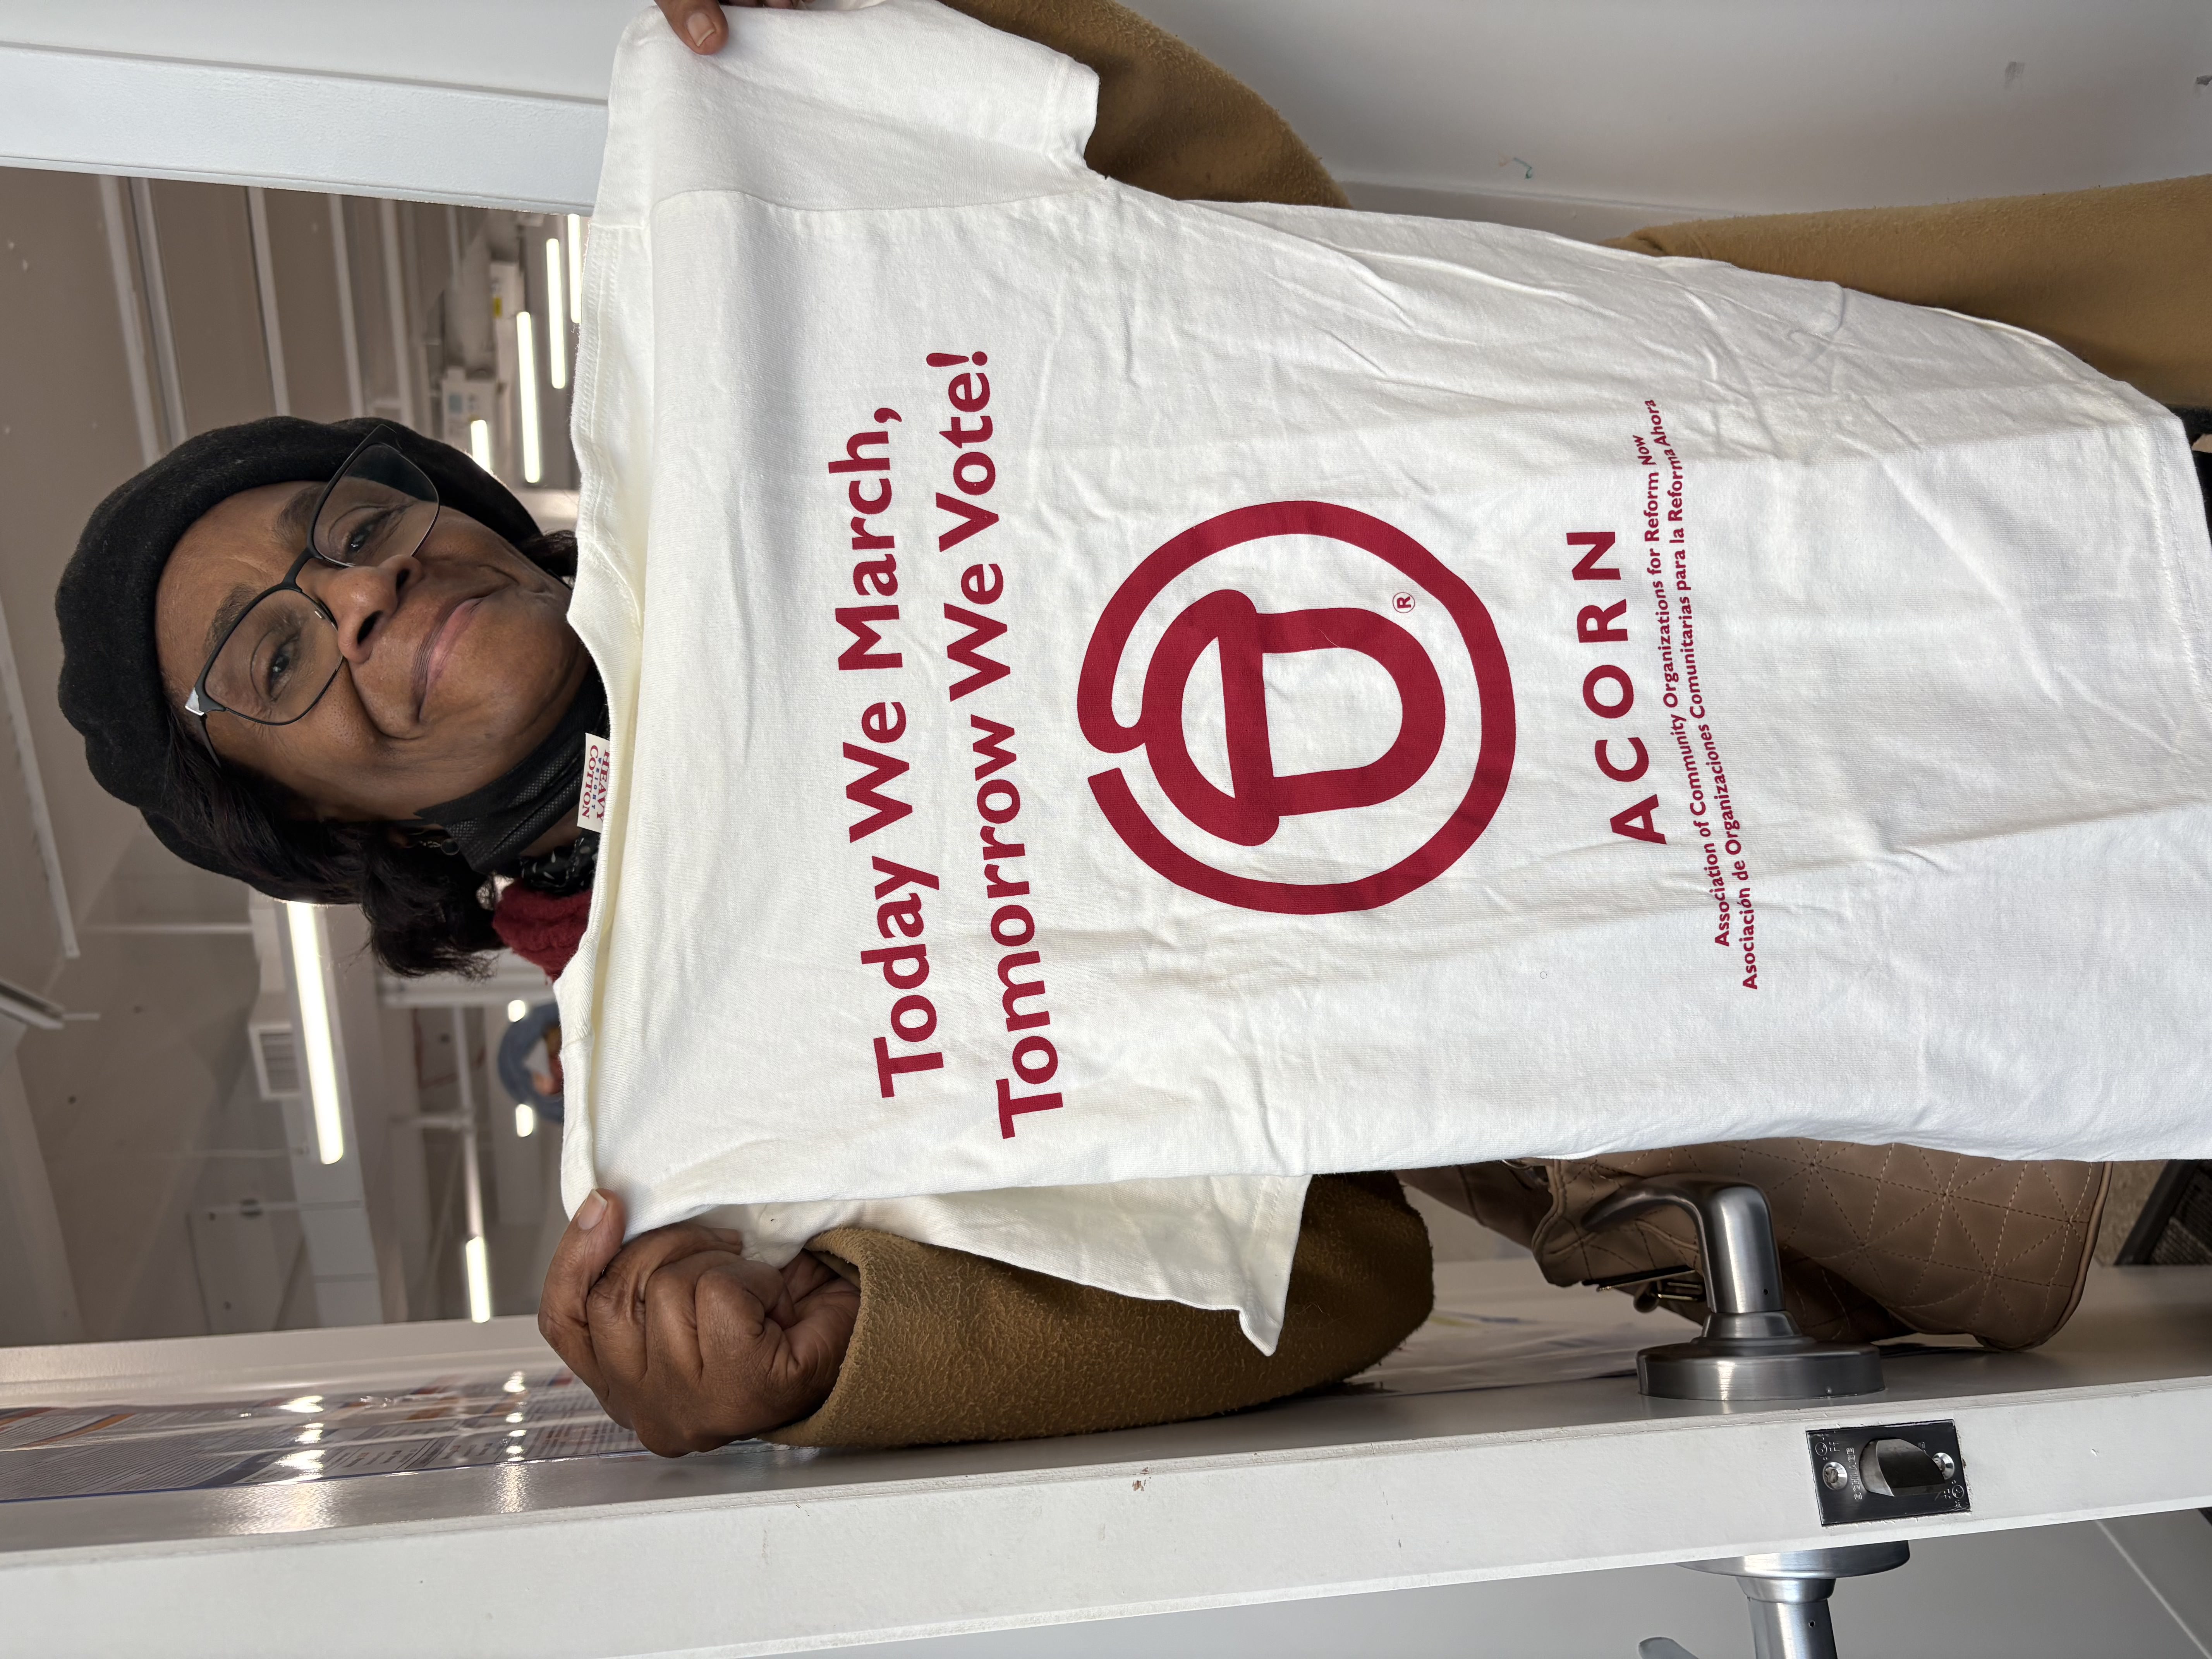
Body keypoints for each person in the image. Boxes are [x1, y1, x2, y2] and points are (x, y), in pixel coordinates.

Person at [54, 0, 2208, 1452]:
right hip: (1988, 1028)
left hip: (2003, 502)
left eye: (336, 522)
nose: (347, 595)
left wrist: (872, 63)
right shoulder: (702, 1115)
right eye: (268, 659)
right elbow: (1322, 1275)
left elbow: (1220, 260)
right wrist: (835, 1356)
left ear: (429, 495)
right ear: (326, 826)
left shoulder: (798, 393)